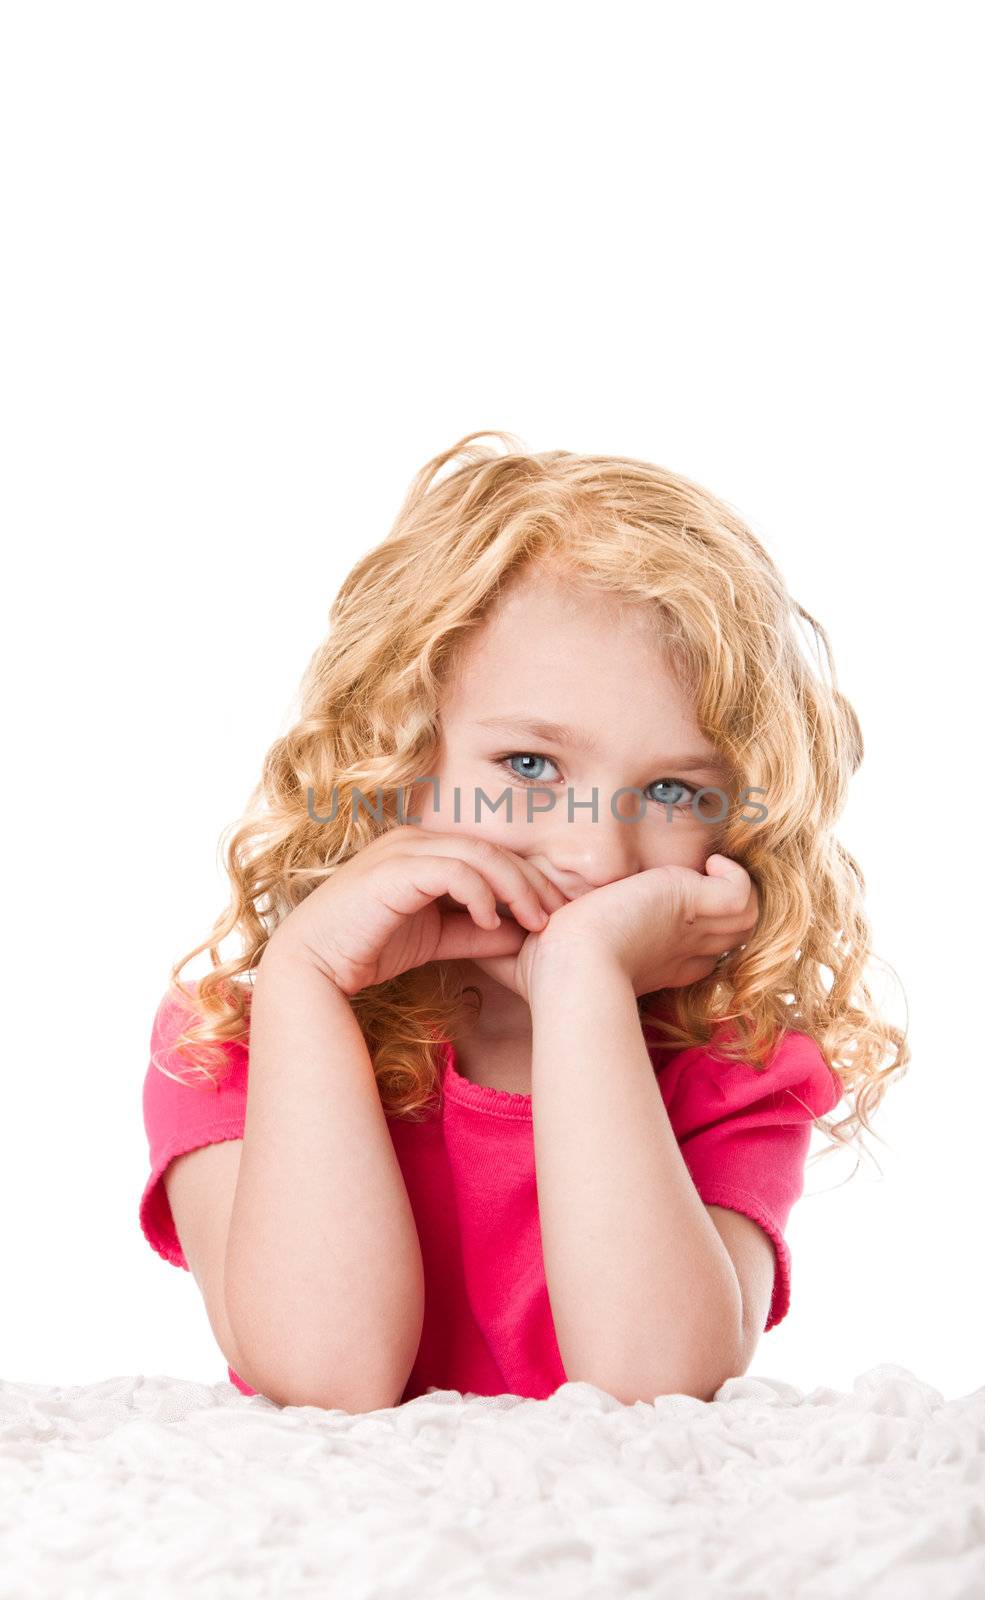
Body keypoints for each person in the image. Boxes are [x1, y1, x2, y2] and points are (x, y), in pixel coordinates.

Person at [139, 429, 907, 1411]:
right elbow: (326, 1383)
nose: (593, 854)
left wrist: (581, 979)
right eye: (529, 767)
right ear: (400, 758)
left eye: (669, 788)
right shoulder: (231, 1042)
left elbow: (654, 1391)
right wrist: (304, 981)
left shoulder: (735, 1064)